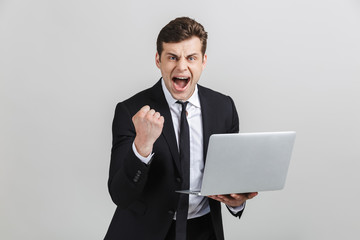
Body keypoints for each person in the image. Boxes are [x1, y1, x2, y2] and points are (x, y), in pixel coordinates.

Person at [104, 17, 258, 240]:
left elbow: (228, 177)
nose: (181, 66)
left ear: (203, 61)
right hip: (144, 232)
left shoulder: (224, 108)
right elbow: (120, 195)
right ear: (158, 60)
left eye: (191, 58)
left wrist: (237, 201)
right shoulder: (131, 111)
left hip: (204, 230)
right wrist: (142, 146)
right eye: (172, 57)